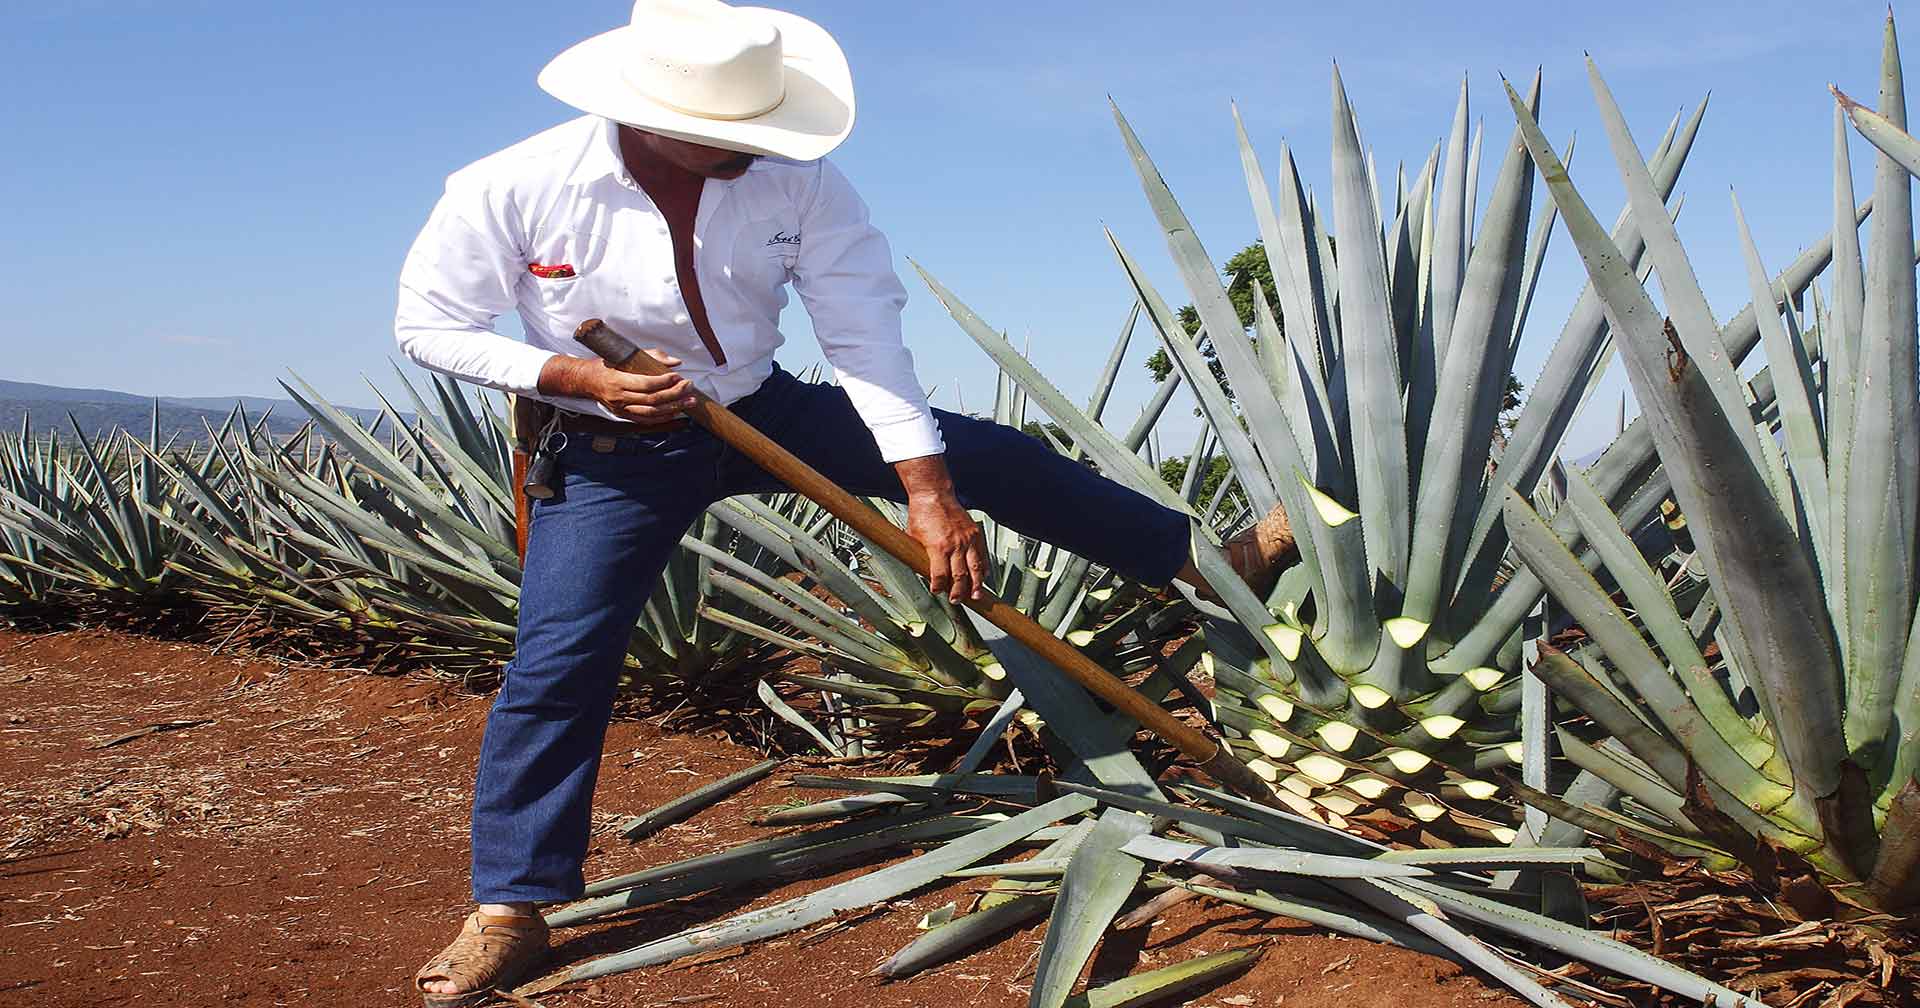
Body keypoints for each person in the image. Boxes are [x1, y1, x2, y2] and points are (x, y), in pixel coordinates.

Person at [395, 2, 1293, 1003]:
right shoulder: (514, 186)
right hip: (613, 447)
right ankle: (512, 907)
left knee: (999, 456)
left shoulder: (798, 178)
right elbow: (428, 324)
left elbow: (863, 335)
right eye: (729, 132)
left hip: (756, 406)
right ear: (648, 115)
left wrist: (930, 491)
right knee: (559, 657)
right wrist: (572, 375)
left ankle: (1200, 560)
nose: (754, 147)